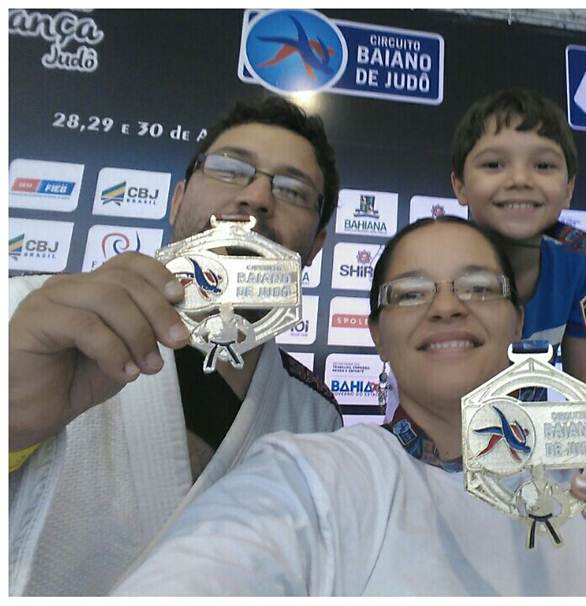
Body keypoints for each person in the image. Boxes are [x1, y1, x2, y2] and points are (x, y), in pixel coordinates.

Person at [114, 217, 586, 596]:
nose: (448, 306)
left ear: (516, 320)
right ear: (377, 334)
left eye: (478, 287)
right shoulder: (316, 477)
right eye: (410, 293)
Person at [8, 94, 343, 596]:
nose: (256, 196)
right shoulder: (29, 318)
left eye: (293, 190)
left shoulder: (314, 416)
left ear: (315, 245)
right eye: (230, 169)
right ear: (178, 199)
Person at [451, 87, 586, 391]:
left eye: (543, 165)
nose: (520, 180)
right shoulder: (433, 265)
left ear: (569, 189)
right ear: (460, 185)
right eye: (494, 164)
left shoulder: (582, 268)